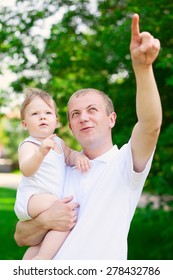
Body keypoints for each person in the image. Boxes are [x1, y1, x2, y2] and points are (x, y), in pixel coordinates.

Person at [14, 13, 162, 259]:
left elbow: (150, 125)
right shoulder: (59, 166)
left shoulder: (125, 163)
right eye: (75, 114)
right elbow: (21, 235)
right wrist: (46, 220)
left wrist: (143, 68)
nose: (83, 117)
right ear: (70, 127)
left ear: (111, 119)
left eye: (92, 110)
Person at [14, 88, 90, 260]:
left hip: (48, 199)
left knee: (40, 240)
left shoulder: (58, 142)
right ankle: (43, 259)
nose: (42, 117)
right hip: (33, 198)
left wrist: (78, 156)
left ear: (56, 121)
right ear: (25, 124)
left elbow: (69, 155)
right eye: (35, 114)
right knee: (66, 213)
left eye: (48, 112)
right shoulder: (29, 145)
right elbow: (26, 169)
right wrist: (40, 152)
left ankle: (27, 264)